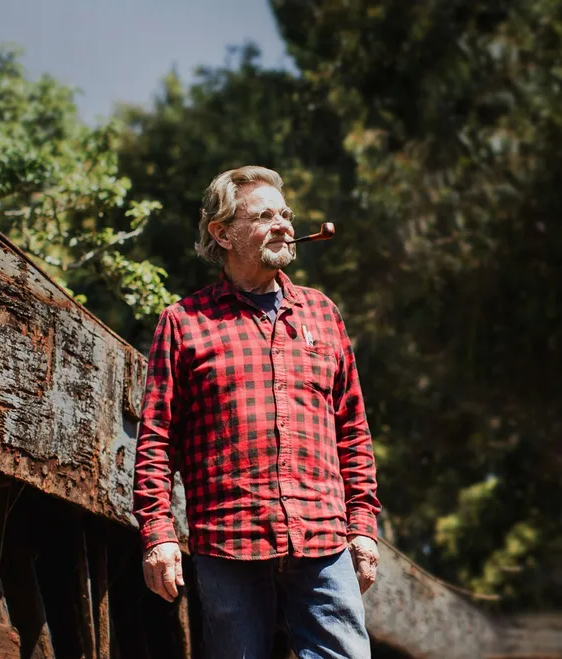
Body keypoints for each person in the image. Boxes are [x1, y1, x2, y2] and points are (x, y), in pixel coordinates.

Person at [133, 166, 381, 659]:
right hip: (229, 539)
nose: (283, 224)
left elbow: (353, 430)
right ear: (222, 233)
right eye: (264, 215)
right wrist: (158, 534)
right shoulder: (183, 323)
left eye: (285, 214)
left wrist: (363, 527)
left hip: (323, 535)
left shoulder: (322, 313)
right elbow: (156, 439)